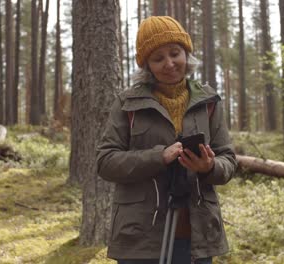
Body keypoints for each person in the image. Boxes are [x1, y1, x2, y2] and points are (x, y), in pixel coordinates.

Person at [96, 16, 237, 264]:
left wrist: (209, 167)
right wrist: (158, 157)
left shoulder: (209, 102)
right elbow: (106, 161)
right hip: (140, 237)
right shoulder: (127, 103)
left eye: (175, 53)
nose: (169, 64)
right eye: (158, 58)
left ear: (186, 53)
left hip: (198, 233)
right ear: (147, 65)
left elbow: (228, 160)